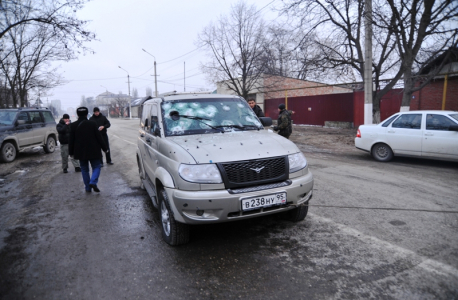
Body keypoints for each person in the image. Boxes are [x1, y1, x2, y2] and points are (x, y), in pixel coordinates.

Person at [69, 107, 108, 193]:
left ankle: (88, 188)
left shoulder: (73, 125)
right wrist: (105, 148)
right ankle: (93, 181)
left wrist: (71, 152)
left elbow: (71, 140)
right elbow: (99, 137)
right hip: (94, 150)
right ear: (87, 114)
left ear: (77, 115)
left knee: (84, 169)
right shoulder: (92, 123)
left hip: (80, 151)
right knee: (97, 166)